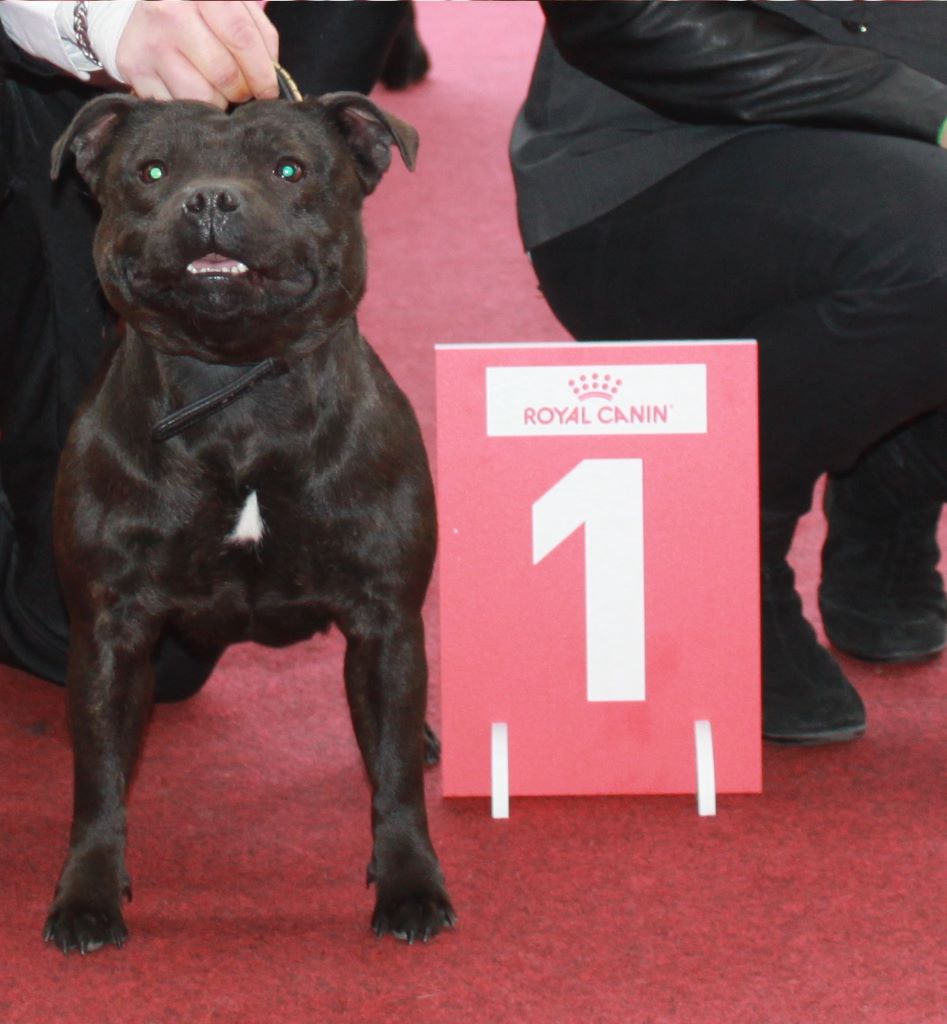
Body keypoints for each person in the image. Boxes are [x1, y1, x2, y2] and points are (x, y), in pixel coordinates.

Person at [511, 1, 947, 744]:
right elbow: (626, 19)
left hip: (904, 150)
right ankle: (724, 551)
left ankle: (894, 496)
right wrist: (925, 107)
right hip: (650, 162)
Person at [0, 0, 424, 700]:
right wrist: (105, 22)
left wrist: (283, 171)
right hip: (40, 65)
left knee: (163, 664)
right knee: (74, 615)